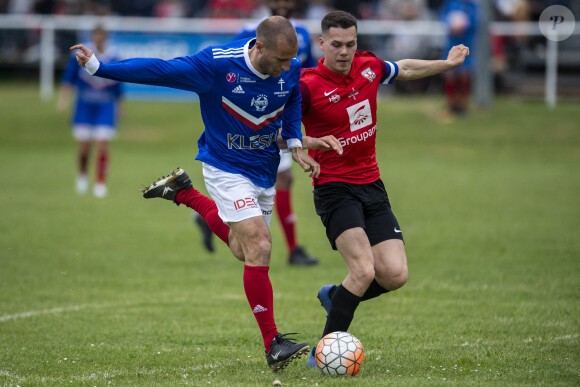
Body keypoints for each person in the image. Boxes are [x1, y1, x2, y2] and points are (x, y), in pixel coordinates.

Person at [70, 16, 342, 371]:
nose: (287, 67)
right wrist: (99, 67)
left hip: (264, 170)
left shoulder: (289, 68)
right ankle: (273, 342)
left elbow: (291, 98)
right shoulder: (216, 65)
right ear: (259, 47)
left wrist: (294, 143)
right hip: (225, 168)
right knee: (260, 245)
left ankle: (183, 193)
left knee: (241, 248)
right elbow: (160, 70)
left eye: (291, 60)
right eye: (280, 60)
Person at [297, 10, 469, 366]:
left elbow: (404, 68)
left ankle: (337, 295)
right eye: (337, 45)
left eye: (351, 44)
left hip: (372, 185)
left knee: (394, 274)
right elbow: (279, 127)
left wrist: (447, 64)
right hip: (333, 188)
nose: (344, 52)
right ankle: (324, 351)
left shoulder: (369, 67)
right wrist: (306, 144)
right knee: (362, 270)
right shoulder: (307, 84)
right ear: (322, 44)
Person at [194, 0, 319, 265]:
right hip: (258, 123)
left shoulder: (302, 33)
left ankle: (214, 214)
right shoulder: (249, 31)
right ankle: (293, 248)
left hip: (282, 119)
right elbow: (234, 67)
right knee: (282, 181)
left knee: (248, 245)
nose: (283, 4)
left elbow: (305, 76)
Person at [58, 25, 123, 198]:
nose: (98, 38)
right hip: (84, 105)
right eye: (96, 35)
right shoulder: (79, 55)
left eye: (101, 35)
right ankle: (82, 175)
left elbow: (118, 86)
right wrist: (64, 98)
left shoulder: (114, 56)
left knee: (102, 145)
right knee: (84, 146)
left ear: (106, 37)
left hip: (105, 106)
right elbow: (68, 78)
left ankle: (100, 183)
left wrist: (120, 108)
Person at [439, 0, 478, 120]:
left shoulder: (472, 6)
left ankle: (463, 105)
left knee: (464, 74)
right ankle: (451, 104)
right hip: (452, 43)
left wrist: (464, 26)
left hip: (466, 42)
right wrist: (451, 25)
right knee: (450, 74)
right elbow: (443, 16)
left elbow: (476, 21)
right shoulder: (451, 3)